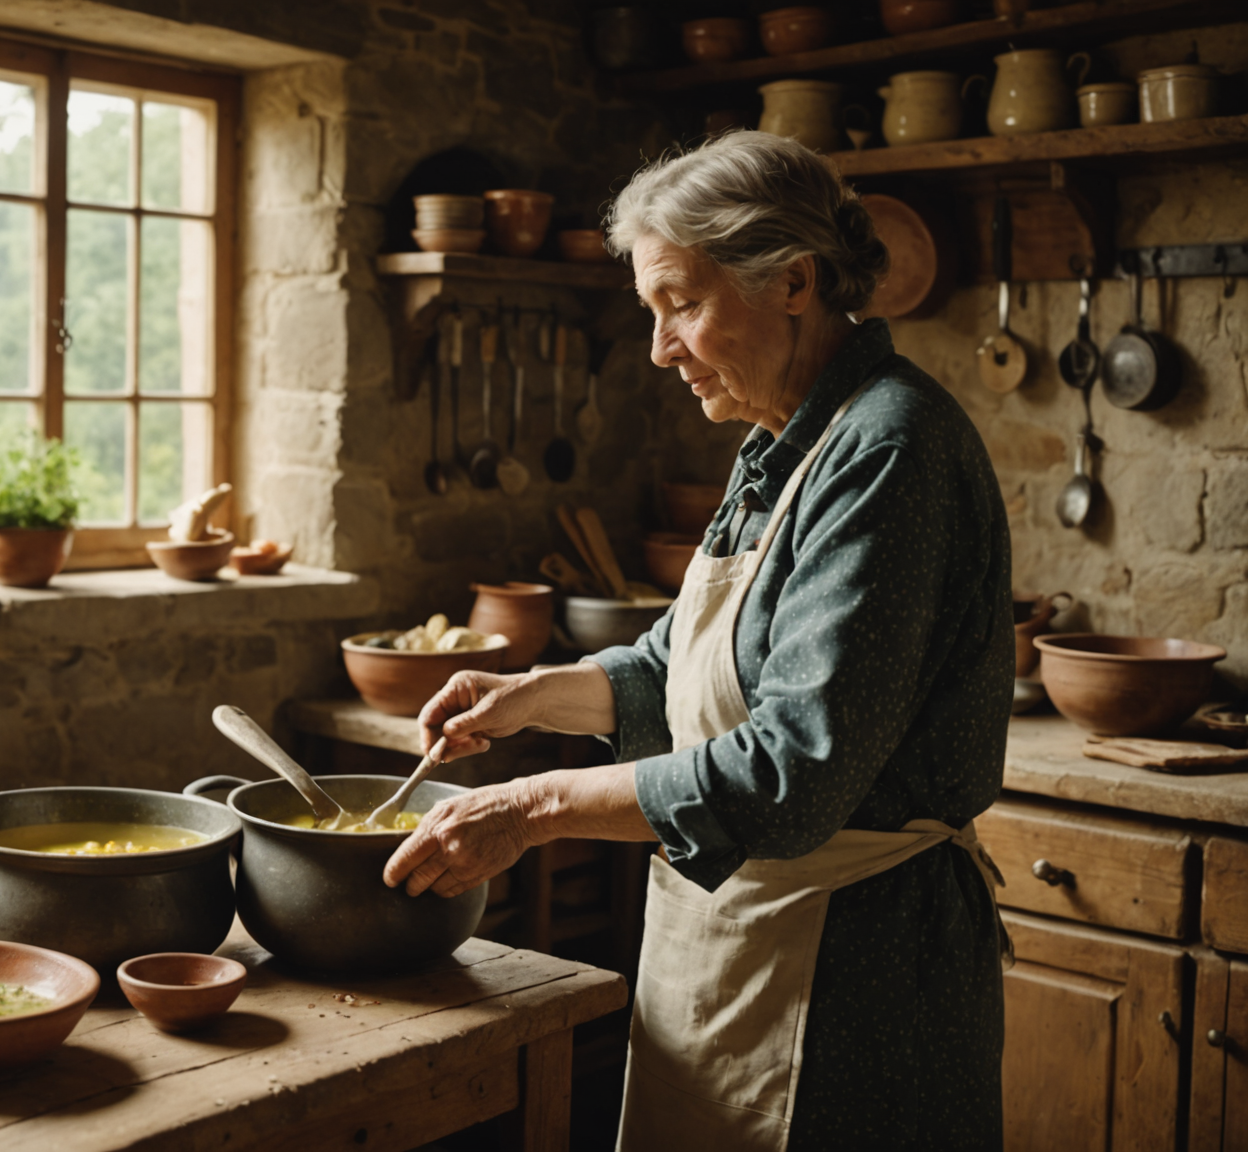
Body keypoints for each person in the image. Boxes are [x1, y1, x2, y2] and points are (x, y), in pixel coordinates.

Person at [382, 131, 1012, 1151]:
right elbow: (678, 662)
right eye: (651, 312)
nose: (660, 349)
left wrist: (533, 806)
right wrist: (535, 696)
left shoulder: (889, 450)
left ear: (795, 283)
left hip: (856, 977)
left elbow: (790, 775)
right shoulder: (779, 442)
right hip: (743, 942)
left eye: (682, 304)